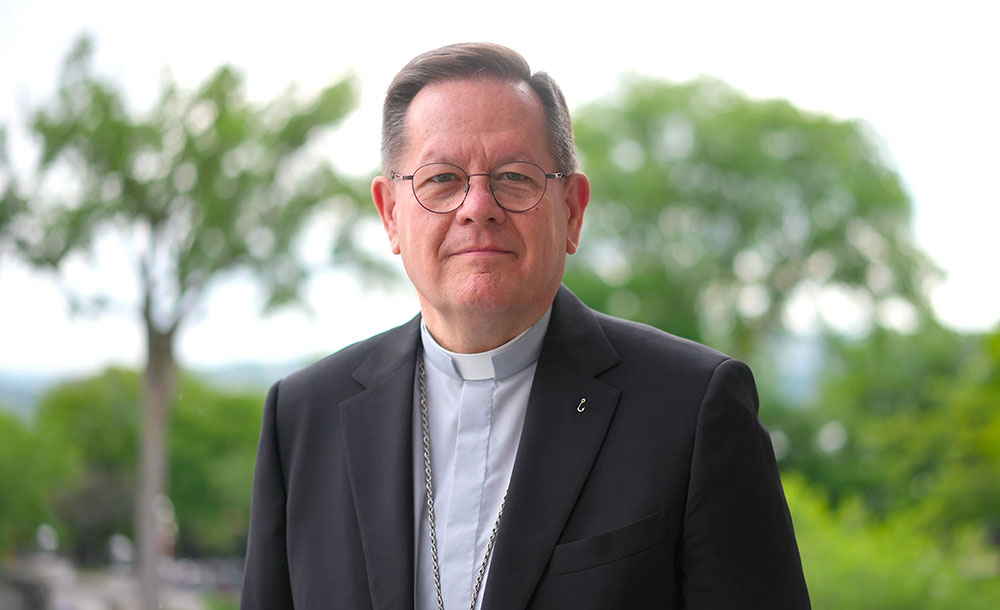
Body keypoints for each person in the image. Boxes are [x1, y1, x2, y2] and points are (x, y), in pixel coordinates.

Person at [240, 43, 810, 610]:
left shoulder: (693, 408)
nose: (478, 206)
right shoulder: (302, 418)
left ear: (572, 210)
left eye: (514, 177)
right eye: (441, 179)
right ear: (391, 213)